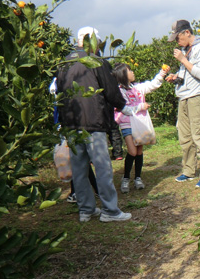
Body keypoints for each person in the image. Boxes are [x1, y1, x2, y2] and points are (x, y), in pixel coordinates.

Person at [56, 26, 133, 222]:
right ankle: (110, 211)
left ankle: (86, 210)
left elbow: (59, 92)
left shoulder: (64, 62)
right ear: (94, 43)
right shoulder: (96, 61)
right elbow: (110, 89)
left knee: (80, 168)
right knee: (102, 167)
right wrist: (123, 106)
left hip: (71, 123)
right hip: (93, 122)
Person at [165, 19, 200, 188]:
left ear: (187, 32)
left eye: (178, 37)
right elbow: (186, 73)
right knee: (185, 137)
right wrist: (175, 77)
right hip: (183, 97)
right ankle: (189, 171)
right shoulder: (186, 50)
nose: (177, 42)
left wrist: (182, 60)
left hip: (196, 97)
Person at [113, 63, 169, 193]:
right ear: (123, 75)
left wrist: (162, 73)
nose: (132, 72)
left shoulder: (137, 88)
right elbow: (124, 109)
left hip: (140, 122)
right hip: (127, 123)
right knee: (132, 151)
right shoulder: (120, 91)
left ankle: (137, 177)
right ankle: (126, 177)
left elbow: (152, 85)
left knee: (139, 151)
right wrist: (140, 107)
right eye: (129, 70)